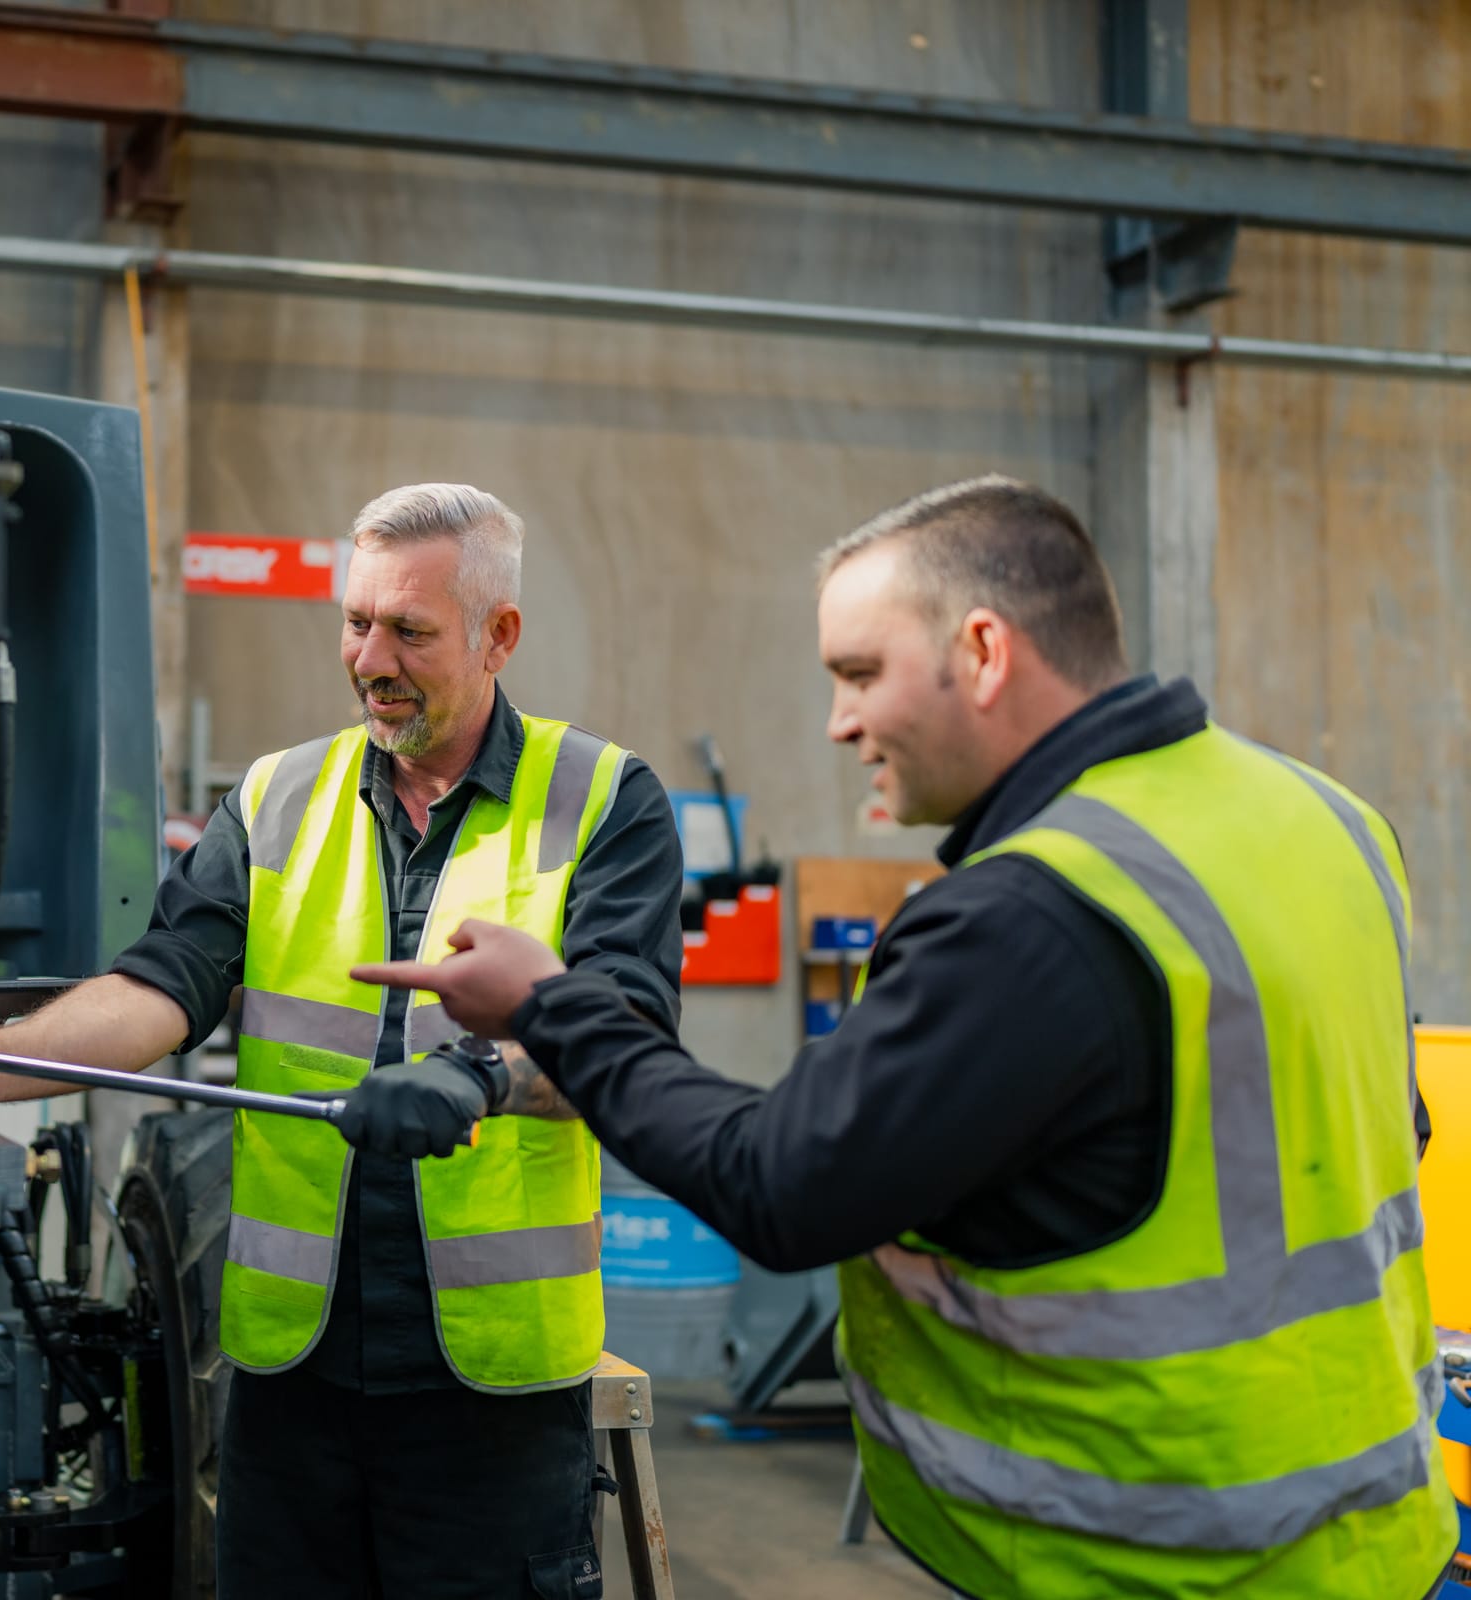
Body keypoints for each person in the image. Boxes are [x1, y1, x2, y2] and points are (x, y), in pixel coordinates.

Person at [351, 476, 1456, 1599]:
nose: (840, 722)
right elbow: (1372, 1119)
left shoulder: (1036, 913)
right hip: (1371, 1527)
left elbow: (781, 1183)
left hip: (1151, 1554)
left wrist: (552, 1005)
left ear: (981, 651)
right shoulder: (1329, 819)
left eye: (860, 675)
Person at [0, 483, 684, 1598]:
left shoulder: (602, 799)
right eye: (357, 621)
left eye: (410, 630)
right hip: (291, 1380)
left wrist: (478, 1079)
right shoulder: (278, 796)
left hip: (494, 1397)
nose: (372, 657)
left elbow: (624, 1033)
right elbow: (159, 987)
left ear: (499, 635)